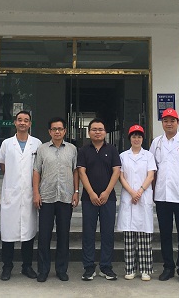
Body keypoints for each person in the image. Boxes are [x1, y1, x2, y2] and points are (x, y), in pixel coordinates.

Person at [150, 107, 179, 283]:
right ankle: (168, 267)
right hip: (162, 195)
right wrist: (152, 191)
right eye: (165, 121)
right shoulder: (156, 143)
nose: (169, 124)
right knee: (165, 233)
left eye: (172, 121)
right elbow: (152, 169)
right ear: (162, 123)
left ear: (178, 122)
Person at [33, 117, 79, 282]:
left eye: (60, 129)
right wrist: (36, 193)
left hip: (65, 197)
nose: (57, 132)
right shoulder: (42, 149)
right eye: (54, 129)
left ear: (65, 131)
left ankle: (61, 269)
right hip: (46, 197)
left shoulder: (72, 149)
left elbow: (75, 171)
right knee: (44, 236)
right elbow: (36, 171)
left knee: (63, 235)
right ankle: (43, 270)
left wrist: (76, 191)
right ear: (49, 132)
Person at [0, 110, 42, 281]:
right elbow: (3, 165)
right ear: (15, 123)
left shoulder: (36, 143)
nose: (23, 123)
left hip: (29, 193)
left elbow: (39, 167)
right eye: (20, 120)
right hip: (12, 193)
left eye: (26, 120)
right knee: (8, 233)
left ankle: (27, 266)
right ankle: (7, 267)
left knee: (28, 233)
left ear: (30, 124)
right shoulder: (7, 144)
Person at [77, 118, 121, 281]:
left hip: (108, 198)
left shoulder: (112, 149)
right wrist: (91, 193)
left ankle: (106, 267)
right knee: (88, 233)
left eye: (100, 129)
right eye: (94, 129)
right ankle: (89, 267)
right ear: (89, 132)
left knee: (107, 233)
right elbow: (81, 172)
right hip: (89, 199)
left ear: (105, 132)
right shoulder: (83, 150)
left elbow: (116, 171)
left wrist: (106, 192)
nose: (97, 132)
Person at [116, 124, 156, 281]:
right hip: (129, 196)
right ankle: (130, 269)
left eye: (139, 136)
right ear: (129, 138)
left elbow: (150, 175)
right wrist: (132, 192)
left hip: (143, 196)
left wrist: (139, 191)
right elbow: (121, 176)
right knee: (129, 236)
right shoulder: (123, 156)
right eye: (134, 136)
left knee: (144, 235)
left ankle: (145, 270)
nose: (136, 139)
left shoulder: (148, 156)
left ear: (142, 139)